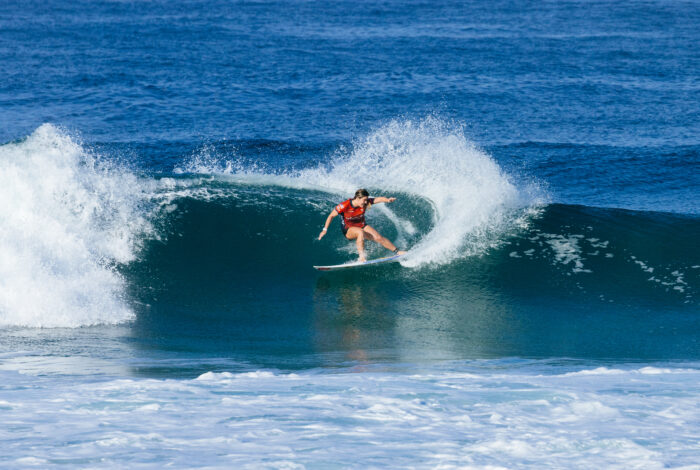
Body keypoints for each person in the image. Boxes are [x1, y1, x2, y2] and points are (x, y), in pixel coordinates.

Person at [318, 188, 407, 262]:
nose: (365, 202)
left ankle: (397, 251)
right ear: (357, 198)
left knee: (378, 238)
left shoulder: (365, 202)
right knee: (360, 232)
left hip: (362, 225)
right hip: (348, 229)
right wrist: (324, 230)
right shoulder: (345, 205)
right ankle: (361, 257)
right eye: (364, 200)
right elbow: (331, 216)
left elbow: (377, 199)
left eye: (366, 200)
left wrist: (387, 200)